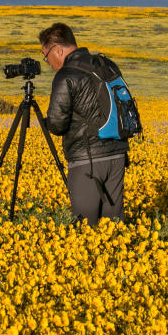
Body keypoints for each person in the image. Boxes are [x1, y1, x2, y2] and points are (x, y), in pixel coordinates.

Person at [39, 22, 129, 224]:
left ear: (58, 49)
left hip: (87, 160)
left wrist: (46, 123)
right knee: (113, 226)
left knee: (84, 228)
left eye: (46, 57)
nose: (48, 63)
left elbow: (57, 124)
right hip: (117, 153)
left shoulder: (66, 75)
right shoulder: (106, 64)